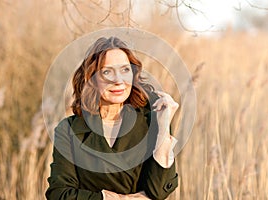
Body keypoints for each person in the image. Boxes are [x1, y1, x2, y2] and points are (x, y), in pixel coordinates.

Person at [46, 36, 179, 200]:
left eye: (125, 70)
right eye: (107, 72)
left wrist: (164, 128)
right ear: (91, 79)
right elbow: (59, 194)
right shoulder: (69, 129)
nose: (118, 81)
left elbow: (158, 191)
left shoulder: (153, 122)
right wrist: (116, 199)